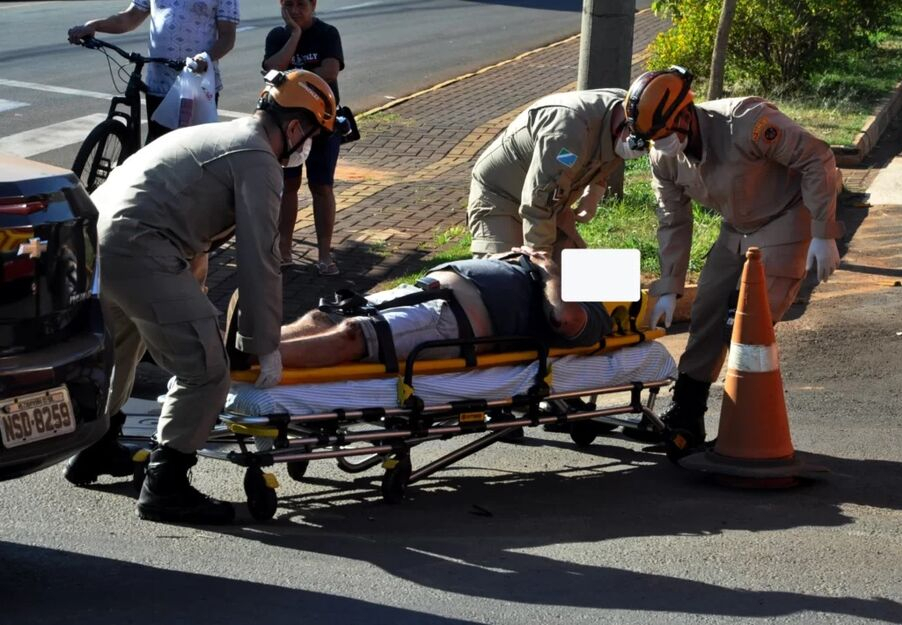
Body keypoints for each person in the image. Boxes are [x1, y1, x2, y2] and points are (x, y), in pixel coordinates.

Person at [63, 70, 337, 525]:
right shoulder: (258, 160)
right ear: (294, 128)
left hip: (97, 242)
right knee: (207, 372)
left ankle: (95, 447)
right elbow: (260, 259)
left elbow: (193, 231)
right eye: (310, 134)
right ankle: (166, 486)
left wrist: (193, 293)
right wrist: (263, 344)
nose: (306, 146)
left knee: (121, 349)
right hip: (140, 247)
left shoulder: (220, 134)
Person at [626, 66, 843, 447]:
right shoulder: (664, 156)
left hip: (787, 217)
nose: (660, 145)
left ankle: (749, 429)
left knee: (749, 325)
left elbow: (817, 159)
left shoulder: (746, 122)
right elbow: (672, 219)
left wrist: (823, 234)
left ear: (683, 114)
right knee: (708, 309)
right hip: (736, 229)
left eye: (663, 134)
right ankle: (687, 414)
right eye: (652, 139)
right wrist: (669, 286)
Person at [229, 249, 612, 370]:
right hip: (425, 292)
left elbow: (566, 319)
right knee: (323, 317)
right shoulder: (541, 273)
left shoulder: (590, 309)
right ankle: (243, 345)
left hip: (452, 321)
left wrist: (550, 273)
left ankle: (250, 359)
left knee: (354, 335)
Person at [467, 88, 645, 262]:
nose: (642, 150)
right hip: (501, 197)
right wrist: (540, 260)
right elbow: (538, 202)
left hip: (551, 201)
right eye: (640, 142)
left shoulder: (630, 108)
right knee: (506, 278)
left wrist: (593, 192)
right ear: (627, 122)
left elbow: (603, 151)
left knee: (583, 281)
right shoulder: (567, 133)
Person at [67, 0, 240, 143]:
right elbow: (129, 18)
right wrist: (95, 25)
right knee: (158, 144)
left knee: (194, 149)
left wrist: (205, 58)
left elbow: (227, 38)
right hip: (159, 83)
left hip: (196, 85)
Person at [263, 0, 344, 273]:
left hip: (321, 123)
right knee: (288, 187)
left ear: (313, 5)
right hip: (285, 127)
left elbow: (330, 71)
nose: (295, 10)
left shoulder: (327, 33)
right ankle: (284, 251)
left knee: (321, 187)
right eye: (289, 4)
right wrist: (294, 35)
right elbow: (271, 70)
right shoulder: (277, 35)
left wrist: (289, 78)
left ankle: (324, 255)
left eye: (301, 4)